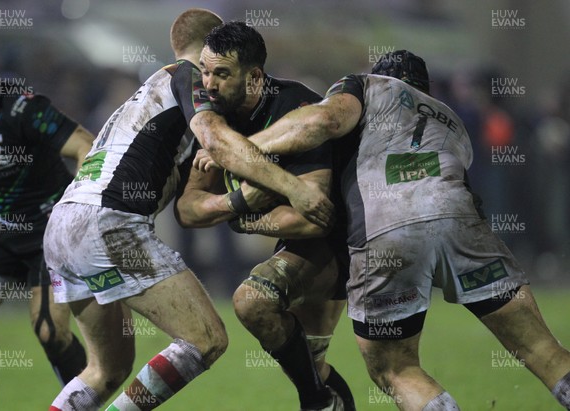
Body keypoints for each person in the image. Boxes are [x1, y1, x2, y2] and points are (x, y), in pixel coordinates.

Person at [217, 50, 570, 410]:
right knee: (543, 350)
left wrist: (240, 150)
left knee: (396, 369)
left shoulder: (367, 85)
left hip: (387, 230)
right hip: (461, 219)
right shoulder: (451, 119)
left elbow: (321, 122)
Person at [43, 9, 333, 411]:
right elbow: (213, 137)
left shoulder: (149, 88)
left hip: (62, 226)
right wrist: (293, 189)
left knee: (105, 371)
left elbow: (188, 208)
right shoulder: (188, 75)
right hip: (108, 223)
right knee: (206, 340)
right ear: (212, 48)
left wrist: (232, 200)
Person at [176, 21, 354, 411]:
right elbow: (188, 209)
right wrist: (237, 205)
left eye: (222, 74)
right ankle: (319, 398)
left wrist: (243, 222)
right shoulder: (214, 119)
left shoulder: (295, 108)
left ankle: (315, 400)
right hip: (294, 241)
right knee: (313, 363)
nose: (208, 84)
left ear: (254, 77)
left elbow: (313, 218)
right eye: (205, 71)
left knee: (252, 302)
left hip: (338, 241)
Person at [0, 27, 93, 411]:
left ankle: (93, 399)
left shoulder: (22, 108)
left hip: (47, 228)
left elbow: (85, 145)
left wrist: (82, 208)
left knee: (51, 332)